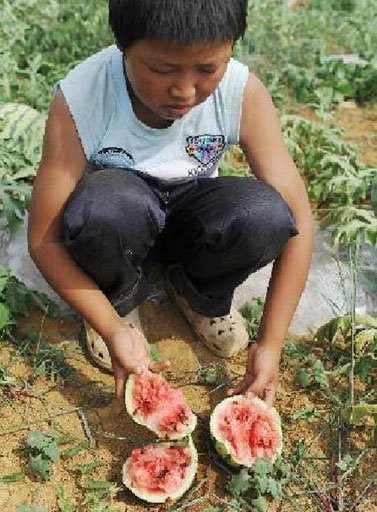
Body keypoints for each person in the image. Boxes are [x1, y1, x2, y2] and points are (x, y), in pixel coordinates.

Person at [28, 0, 314, 405]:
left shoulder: (241, 91)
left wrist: (271, 343)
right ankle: (118, 298)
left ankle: (199, 292)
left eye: (207, 69)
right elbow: (44, 239)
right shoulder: (83, 96)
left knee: (264, 213)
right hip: (119, 220)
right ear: (123, 46)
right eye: (162, 70)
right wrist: (112, 329)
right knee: (105, 207)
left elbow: (299, 221)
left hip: (191, 214)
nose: (184, 91)